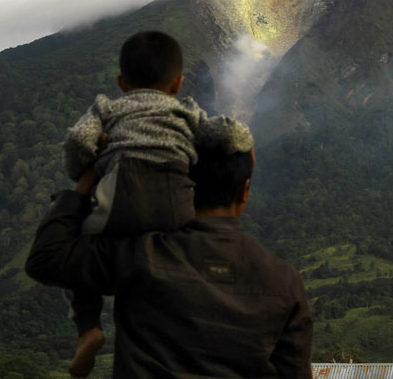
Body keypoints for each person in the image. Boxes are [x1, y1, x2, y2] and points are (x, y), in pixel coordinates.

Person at [25, 140, 314, 378]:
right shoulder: (285, 281)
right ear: (245, 190)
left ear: (186, 186)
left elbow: (46, 259)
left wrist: (86, 182)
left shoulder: (142, 253)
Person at [58, 30, 253, 376]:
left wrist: (81, 170)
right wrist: (244, 144)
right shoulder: (187, 112)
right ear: (177, 84)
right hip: (176, 205)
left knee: (76, 250)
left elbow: (78, 139)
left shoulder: (107, 108)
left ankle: (88, 328)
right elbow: (228, 133)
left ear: (121, 81)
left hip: (120, 198)